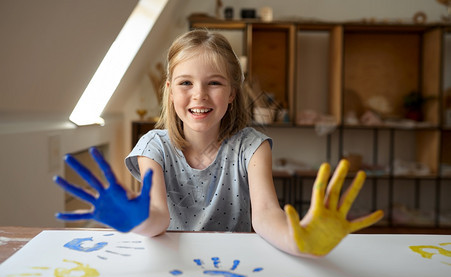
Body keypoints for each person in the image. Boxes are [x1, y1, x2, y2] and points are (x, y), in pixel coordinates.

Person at [54, 29, 383, 257]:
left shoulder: (253, 146)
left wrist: (298, 240)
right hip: (172, 265)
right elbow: (157, 216)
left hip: (237, 265)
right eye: (185, 83)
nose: (199, 94)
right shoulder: (153, 146)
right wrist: (137, 221)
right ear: (170, 90)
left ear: (231, 94)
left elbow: (266, 214)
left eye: (214, 83)